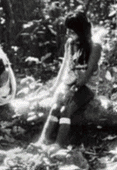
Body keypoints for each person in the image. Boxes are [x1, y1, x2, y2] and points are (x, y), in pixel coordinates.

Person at [38, 10, 102, 147]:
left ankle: (58, 145)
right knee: (55, 107)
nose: (68, 34)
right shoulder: (70, 44)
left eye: (72, 31)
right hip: (69, 83)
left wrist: (73, 90)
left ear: (82, 31)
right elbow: (65, 66)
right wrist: (56, 86)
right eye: (68, 31)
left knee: (65, 109)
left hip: (86, 86)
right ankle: (42, 141)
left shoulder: (95, 46)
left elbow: (88, 73)